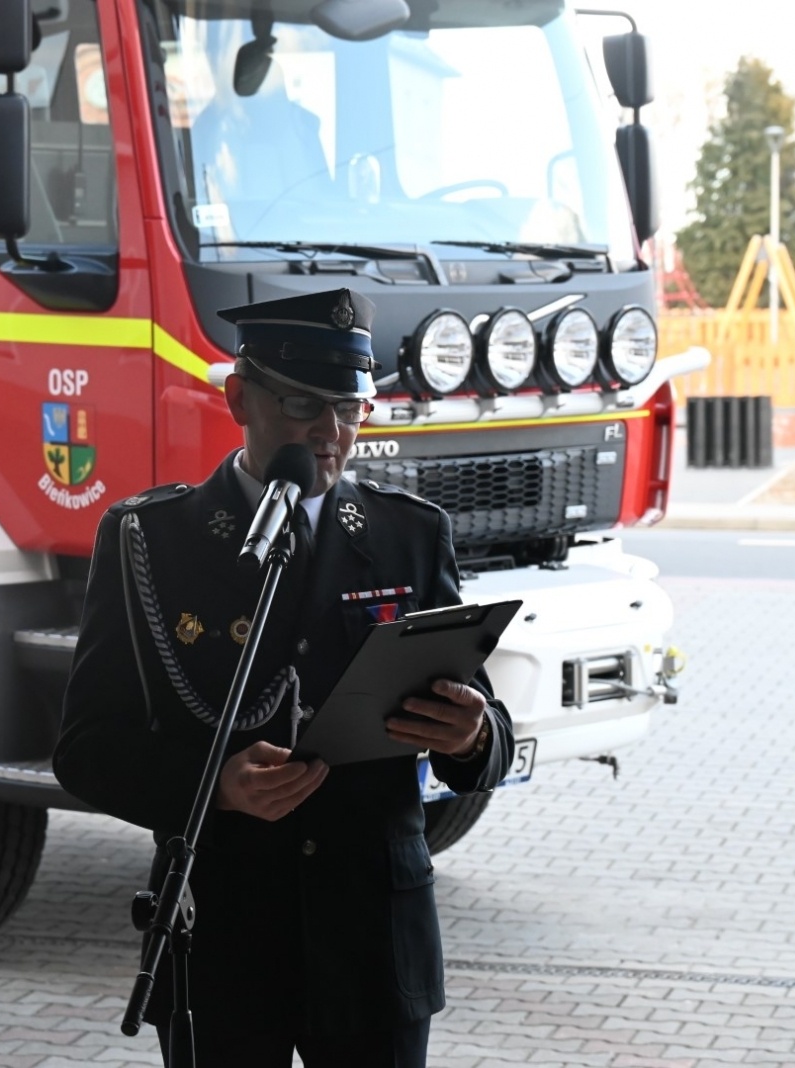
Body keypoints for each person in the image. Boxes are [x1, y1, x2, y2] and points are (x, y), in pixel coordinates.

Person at [54, 287, 514, 1068]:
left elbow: (489, 735)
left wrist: (472, 736)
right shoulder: (150, 542)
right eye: (303, 404)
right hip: (224, 942)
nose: (328, 434)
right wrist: (216, 784)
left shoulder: (409, 536)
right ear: (239, 397)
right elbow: (86, 750)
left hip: (373, 944)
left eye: (350, 408)